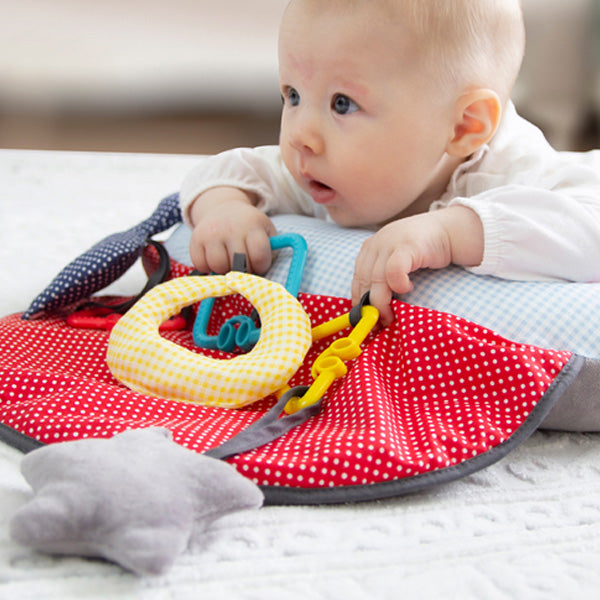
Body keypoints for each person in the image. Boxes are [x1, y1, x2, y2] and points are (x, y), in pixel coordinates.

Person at [179, 0, 600, 325]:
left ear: (462, 127)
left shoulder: (513, 174)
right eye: (292, 95)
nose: (299, 136)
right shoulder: (317, 167)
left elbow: (590, 226)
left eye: (342, 104)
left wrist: (451, 233)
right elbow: (227, 170)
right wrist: (224, 208)